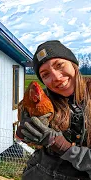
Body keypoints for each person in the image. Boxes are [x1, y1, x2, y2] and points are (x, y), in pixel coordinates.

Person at [18, 40, 91, 180]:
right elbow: (25, 137)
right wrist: (25, 132)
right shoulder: (45, 100)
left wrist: (64, 147)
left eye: (59, 65)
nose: (56, 78)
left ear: (73, 64)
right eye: (45, 75)